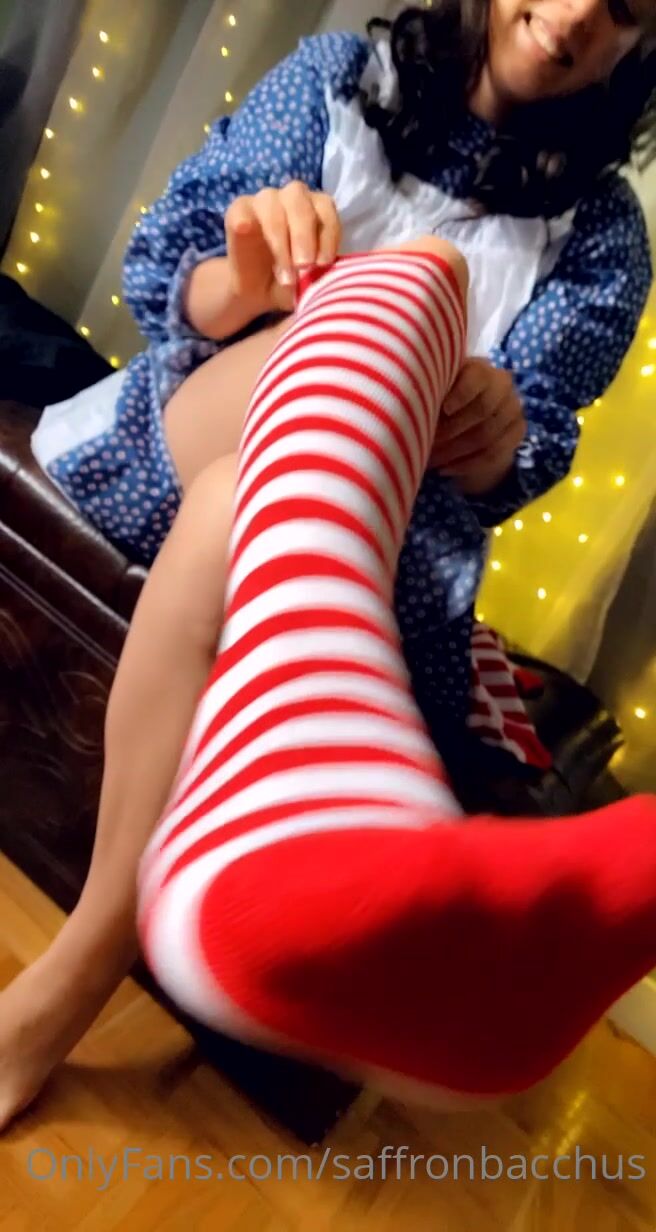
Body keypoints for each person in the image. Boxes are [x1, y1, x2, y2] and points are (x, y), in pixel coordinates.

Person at [2, 0, 655, 1128]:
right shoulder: (338, 78)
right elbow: (171, 285)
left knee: (234, 510)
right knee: (420, 279)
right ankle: (324, 764)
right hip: (180, 431)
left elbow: (522, 455)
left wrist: (493, 430)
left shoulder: (604, 239)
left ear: (644, 44)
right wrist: (250, 274)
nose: (573, 18)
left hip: (383, 544)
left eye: (626, 9)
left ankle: (77, 970)